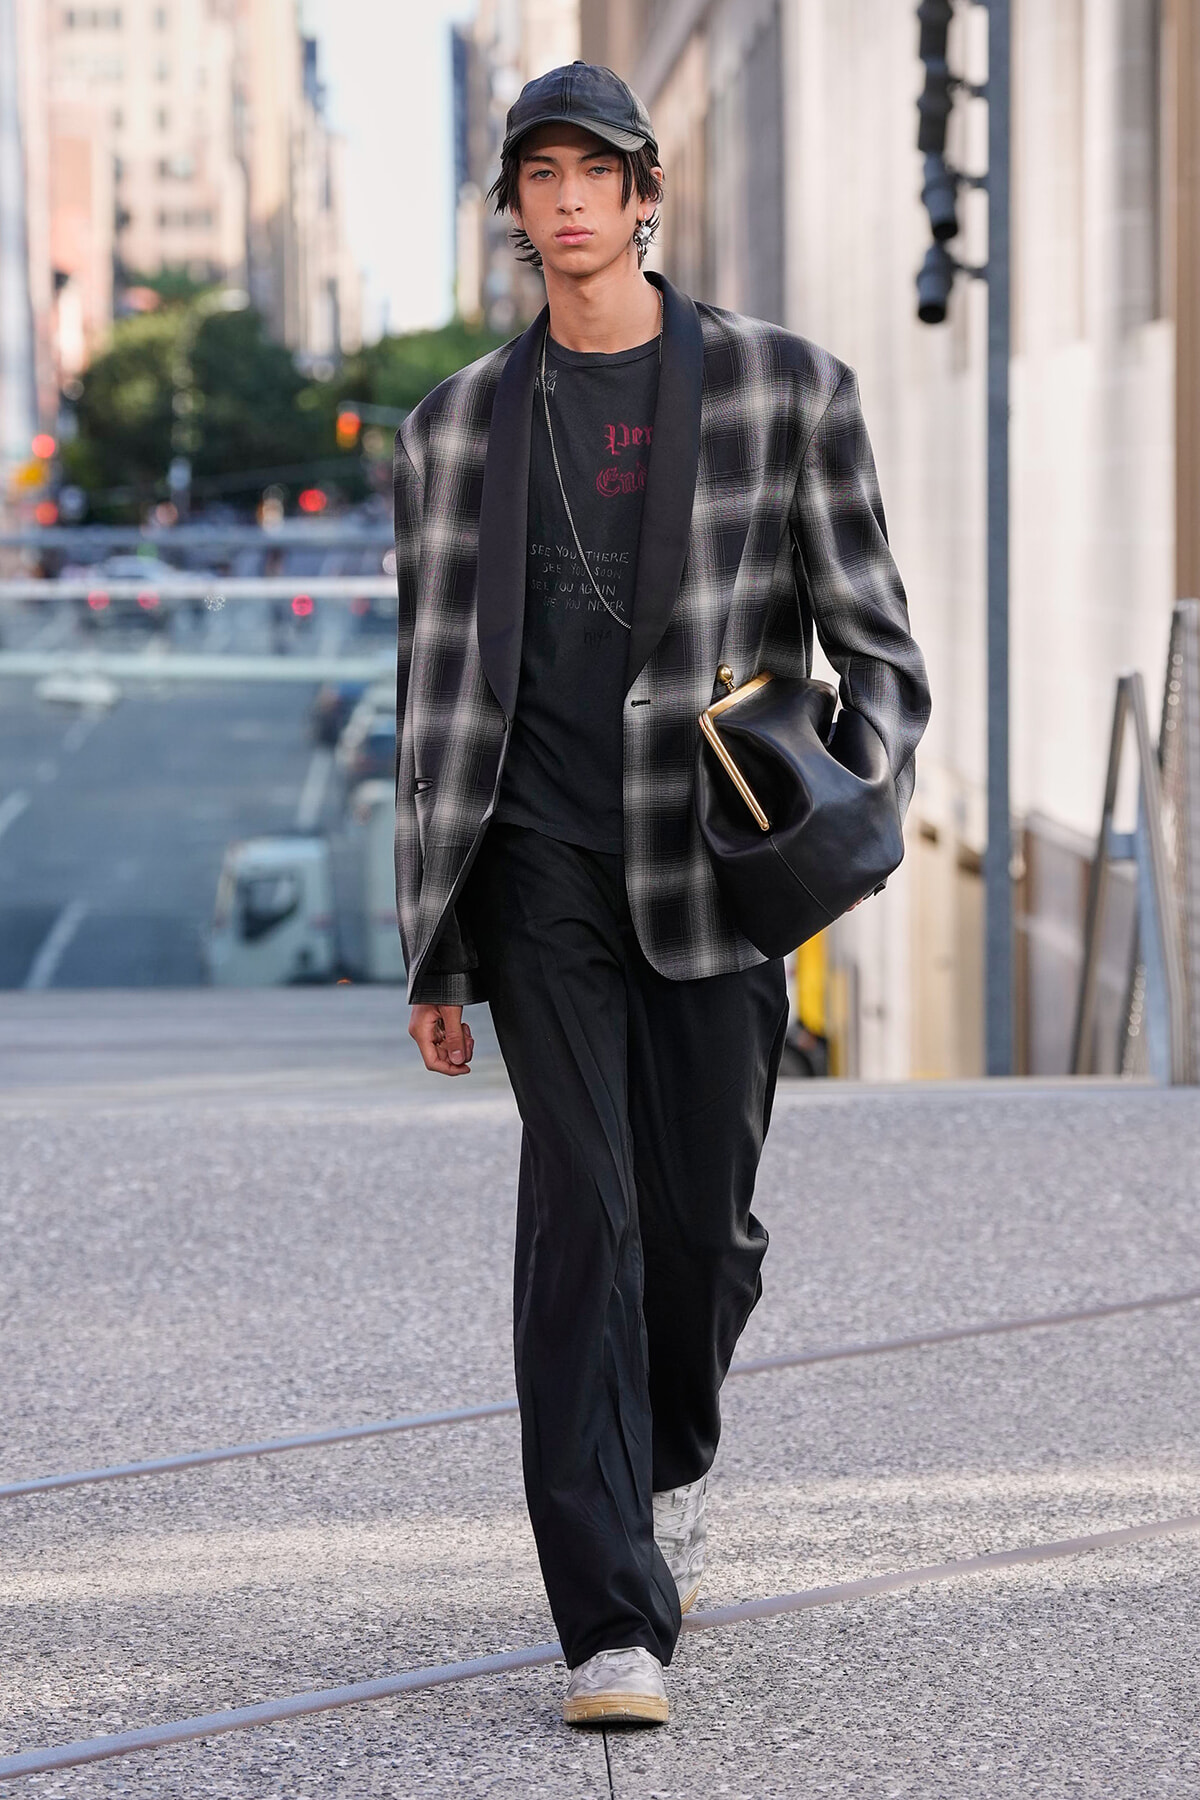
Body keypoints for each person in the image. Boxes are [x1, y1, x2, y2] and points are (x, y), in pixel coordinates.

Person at [393, 60, 931, 1727]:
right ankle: (611, 1618)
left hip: (712, 875)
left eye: (593, 171)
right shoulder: (454, 427)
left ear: (644, 199)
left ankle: (661, 1452)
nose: (565, 199)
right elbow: (428, 693)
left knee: (700, 1235)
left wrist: (821, 802)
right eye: (536, 175)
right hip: (538, 866)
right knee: (590, 1219)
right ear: (516, 216)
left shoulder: (787, 391)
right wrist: (433, 938)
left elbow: (883, 655)